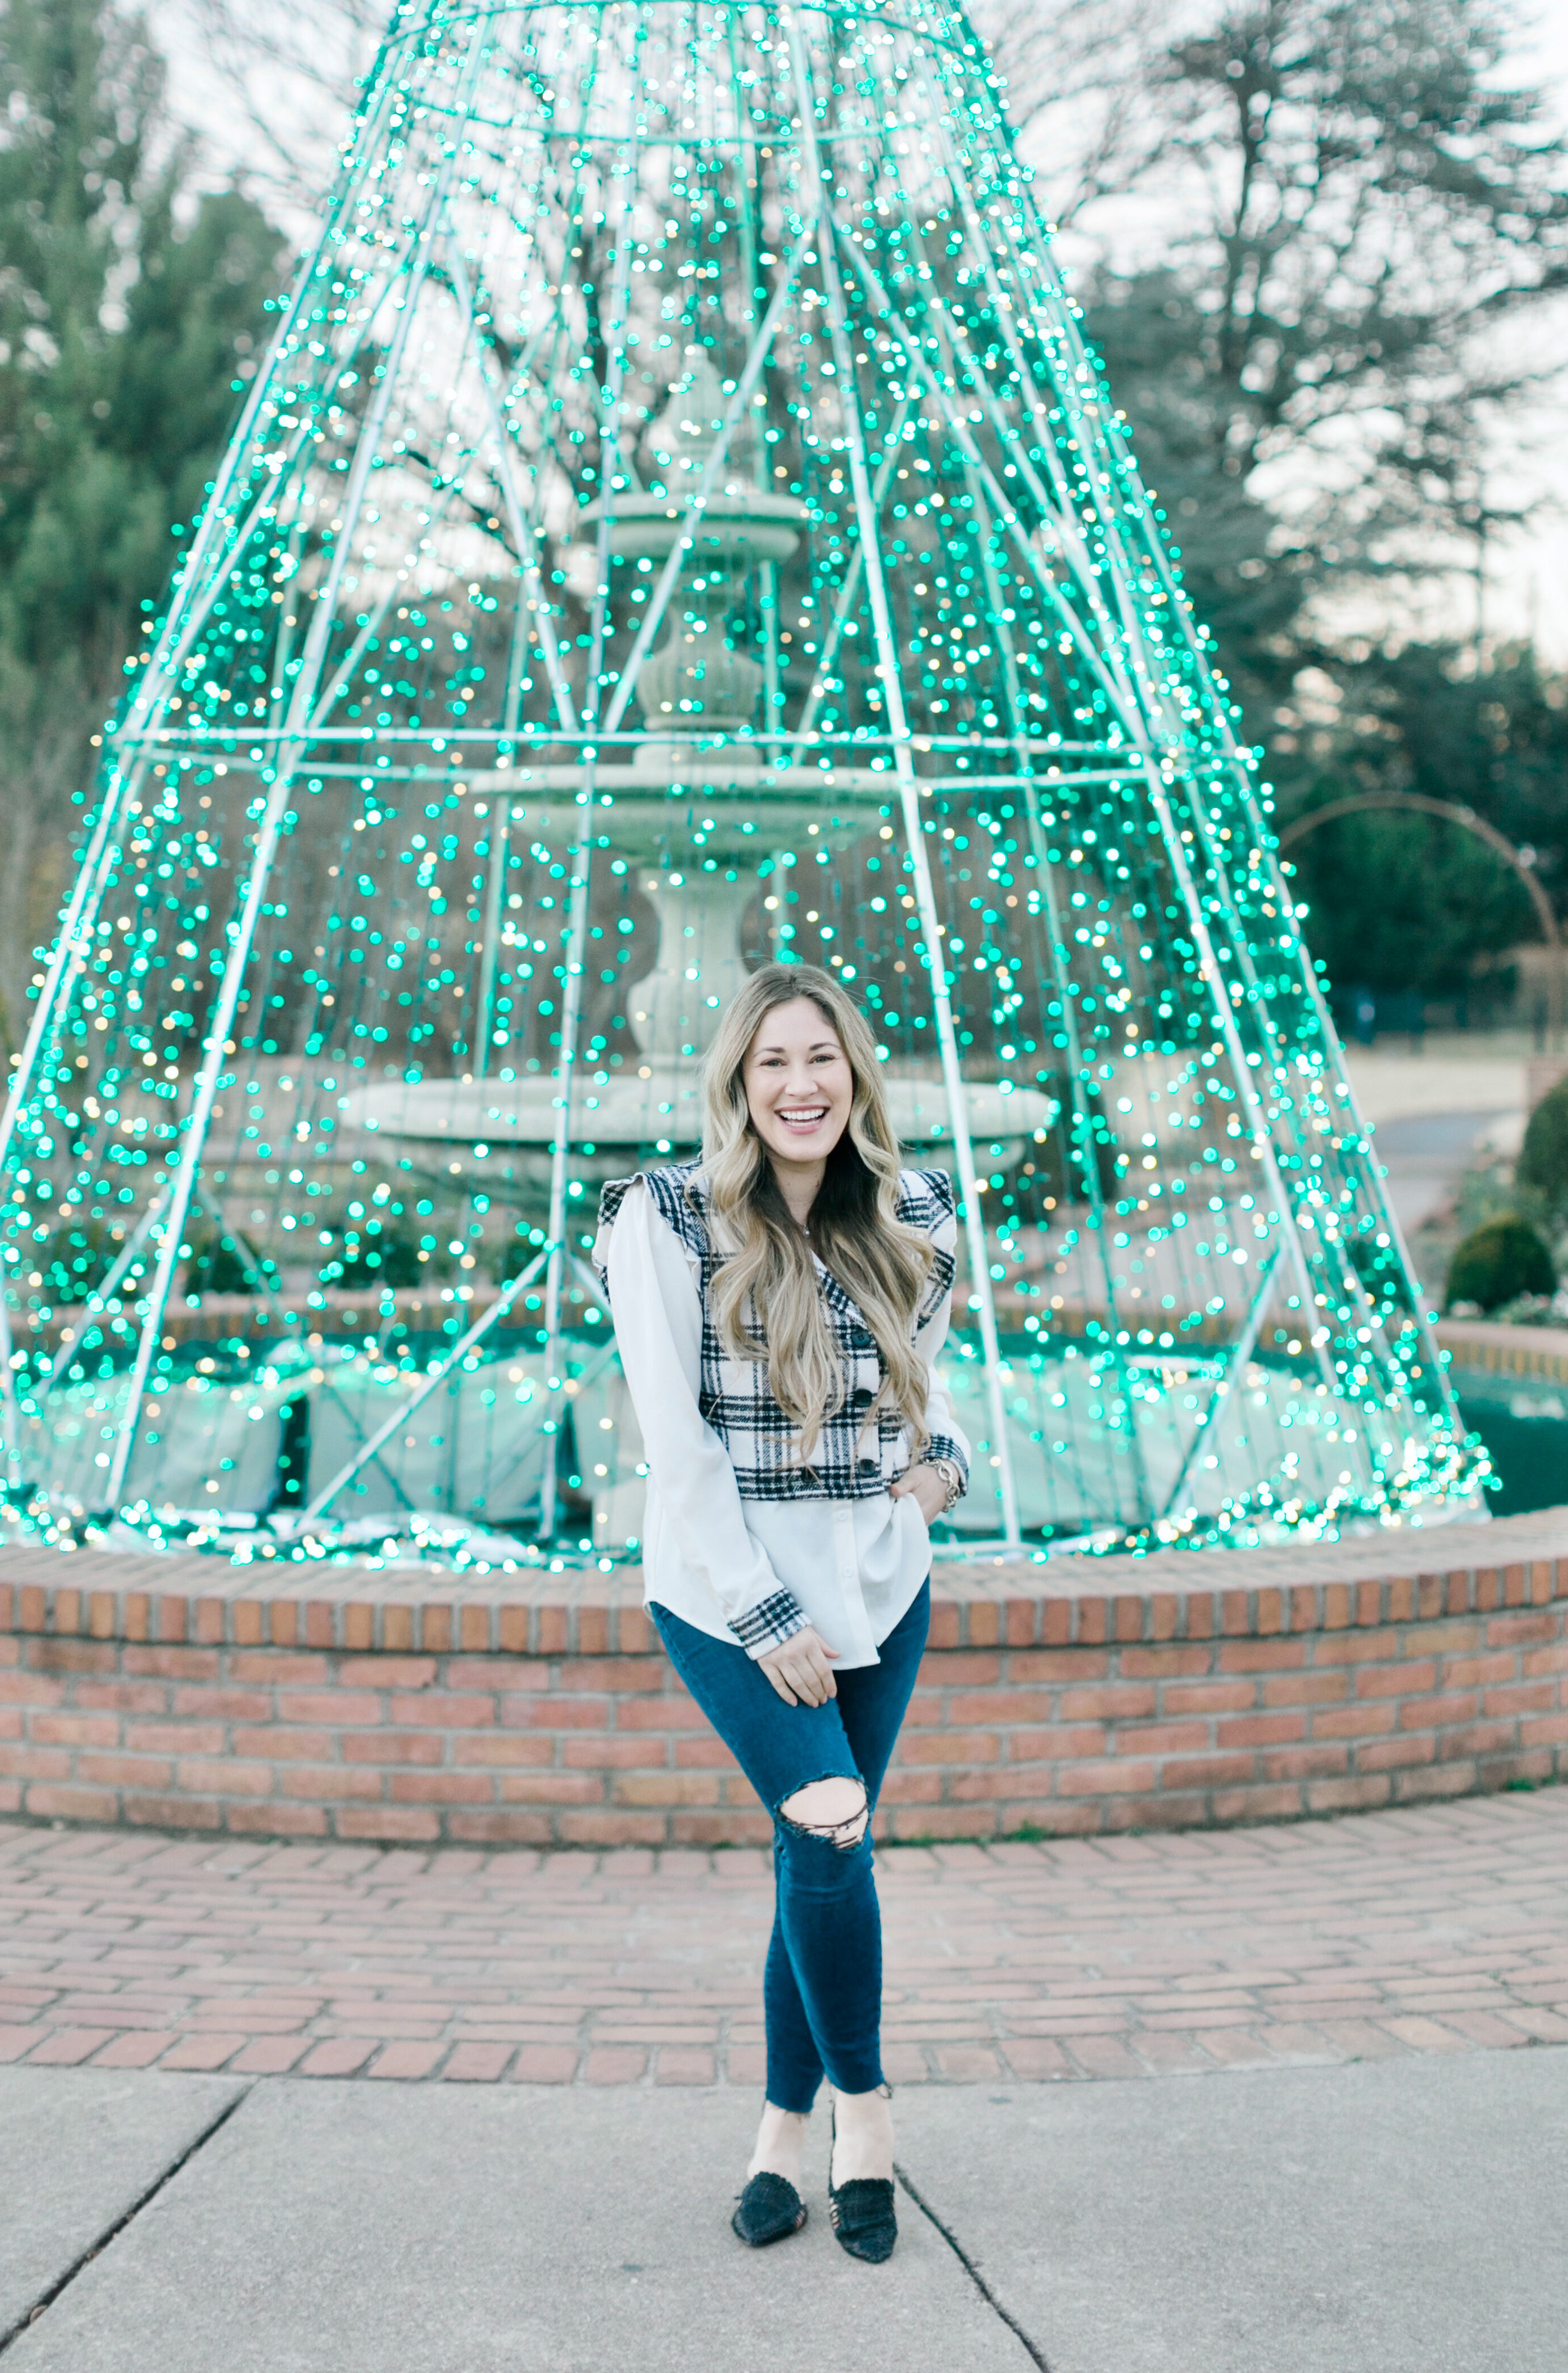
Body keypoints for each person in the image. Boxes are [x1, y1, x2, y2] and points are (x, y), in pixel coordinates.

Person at [594, 962, 970, 2262]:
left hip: (876, 1580)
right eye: (772, 1063)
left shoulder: (913, 1211)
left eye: (821, 1058)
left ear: (852, 1073)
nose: (799, 1085)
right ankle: (864, 2121)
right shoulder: (665, 1219)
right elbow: (677, 1449)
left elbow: (931, 1396)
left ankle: (776, 2135)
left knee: (817, 1858)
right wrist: (761, 1615)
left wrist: (937, 1477)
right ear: (737, 1084)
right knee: (828, 1822)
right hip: (722, 1588)